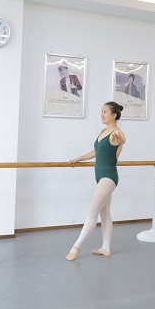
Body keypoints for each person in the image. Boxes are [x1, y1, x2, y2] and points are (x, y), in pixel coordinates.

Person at [65, 102, 126, 261]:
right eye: (101, 111)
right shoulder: (103, 131)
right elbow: (96, 151)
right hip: (101, 177)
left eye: (105, 112)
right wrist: (78, 158)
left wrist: (122, 139)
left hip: (108, 177)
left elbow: (122, 139)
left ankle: (76, 247)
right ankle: (106, 248)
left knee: (92, 213)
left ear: (114, 115)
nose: (102, 114)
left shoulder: (116, 133)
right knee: (104, 213)